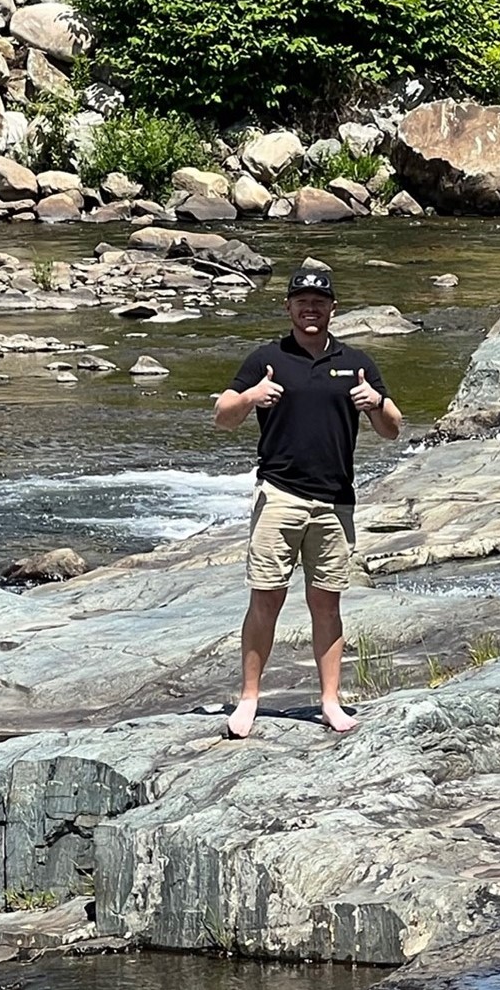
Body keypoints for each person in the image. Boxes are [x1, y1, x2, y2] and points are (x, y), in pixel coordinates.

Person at [213, 267, 403, 738]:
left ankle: (330, 703)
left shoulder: (355, 361)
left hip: (336, 501)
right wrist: (253, 396)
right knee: (266, 599)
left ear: (332, 308)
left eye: (319, 301)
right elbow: (222, 416)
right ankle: (249, 701)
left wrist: (376, 402)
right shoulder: (267, 358)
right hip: (280, 494)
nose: (310, 308)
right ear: (289, 307)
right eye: (301, 300)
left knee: (326, 604)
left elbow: (393, 428)